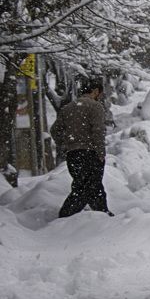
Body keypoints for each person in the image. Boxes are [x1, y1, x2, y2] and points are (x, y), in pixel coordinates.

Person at [50, 76, 113, 217]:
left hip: (73, 154)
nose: (100, 97)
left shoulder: (68, 108)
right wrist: (100, 152)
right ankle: (66, 216)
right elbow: (98, 131)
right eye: (100, 93)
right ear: (96, 91)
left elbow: (55, 130)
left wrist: (65, 144)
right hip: (90, 153)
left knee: (88, 185)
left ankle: (103, 214)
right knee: (86, 187)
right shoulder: (95, 106)